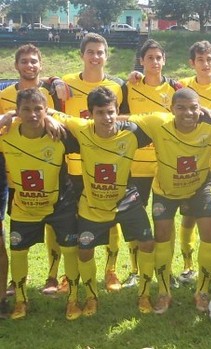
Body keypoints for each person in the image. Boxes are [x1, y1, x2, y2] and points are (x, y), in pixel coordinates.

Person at [51, 87, 156, 316]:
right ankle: (91, 298)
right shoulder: (81, 129)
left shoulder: (132, 133)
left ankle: (145, 295)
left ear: (117, 111)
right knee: (85, 252)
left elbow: (162, 121)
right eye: (100, 113)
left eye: (111, 112)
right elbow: (53, 113)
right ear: (90, 114)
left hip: (126, 200)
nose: (106, 118)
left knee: (148, 243)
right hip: (93, 206)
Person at [128, 88, 211, 314]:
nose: (188, 113)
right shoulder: (158, 122)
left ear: (201, 108)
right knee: (163, 237)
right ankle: (164, 293)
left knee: (209, 233)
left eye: (193, 107)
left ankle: (202, 292)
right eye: (181, 108)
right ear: (171, 109)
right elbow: (122, 119)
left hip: (199, 188)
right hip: (165, 191)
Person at [1, 88, 80, 320]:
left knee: (70, 249)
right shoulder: (6, 134)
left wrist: (56, 118)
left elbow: (89, 131)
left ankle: (74, 299)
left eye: (38, 109)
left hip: (60, 204)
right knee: (18, 251)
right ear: (17, 112)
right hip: (24, 206)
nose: (33, 114)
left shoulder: (60, 135)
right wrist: (5, 117)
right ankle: (21, 300)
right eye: (26, 109)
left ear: (46, 110)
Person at [0, 44, 65, 296]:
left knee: (53, 222)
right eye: (24, 61)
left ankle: (52, 275)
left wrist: (49, 115)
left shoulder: (53, 90)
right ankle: (15, 282)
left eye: (33, 61)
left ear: (41, 64)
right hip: (15, 169)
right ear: (16, 65)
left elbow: (64, 120)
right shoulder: (4, 94)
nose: (29, 65)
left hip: (50, 162)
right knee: (19, 222)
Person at [62, 33, 125, 292]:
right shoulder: (65, 83)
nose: (95, 57)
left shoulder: (118, 86)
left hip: (108, 166)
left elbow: (125, 120)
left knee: (112, 218)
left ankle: (111, 271)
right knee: (72, 221)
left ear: (106, 55)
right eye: (90, 52)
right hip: (74, 167)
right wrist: (53, 80)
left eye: (100, 52)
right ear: (81, 55)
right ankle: (70, 274)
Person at [118, 39, 183, 289]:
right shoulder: (129, 87)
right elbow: (117, 117)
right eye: (149, 58)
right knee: (135, 219)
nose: (154, 62)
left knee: (166, 221)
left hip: (165, 166)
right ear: (141, 62)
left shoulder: (176, 87)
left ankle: (167, 269)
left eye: (158, 57)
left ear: (164, 60)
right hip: (135, 166)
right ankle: (135, 271)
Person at [176, 40, 211, 286]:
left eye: (209, 59)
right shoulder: (182, 87)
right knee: (189, 217)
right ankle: (188, 266)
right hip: (192, 162)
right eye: (200, 60)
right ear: (192, 63)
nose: (206, 64)